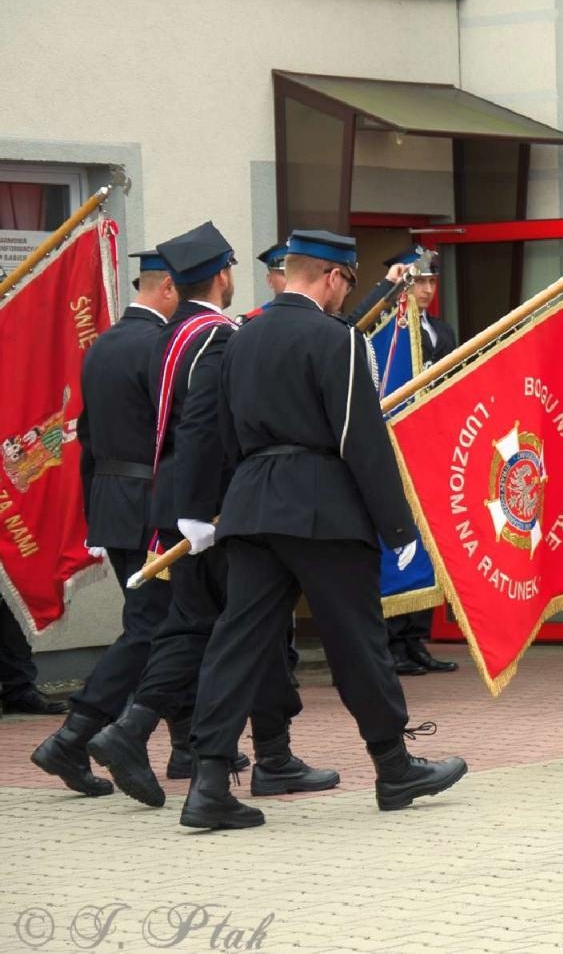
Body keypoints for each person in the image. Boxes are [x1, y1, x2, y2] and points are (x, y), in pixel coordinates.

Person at [179, 229, 466, 829]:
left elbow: (219, 432)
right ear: (333, 277)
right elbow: (360, 436)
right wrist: (397, 523)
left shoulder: (240, 336)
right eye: (347, 284)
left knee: (239, 642)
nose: (344, 297)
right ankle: (394, 767)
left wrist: (218, 504)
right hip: (322, 508)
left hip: (253, 504)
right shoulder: (336, 339)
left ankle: (207, 781)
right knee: (357, 642)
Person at [87, 223, 333, 808]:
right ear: (224, 274)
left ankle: (147, 733)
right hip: (215, 507)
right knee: (245, 626)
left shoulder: (172, 333)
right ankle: (257, 753)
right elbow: (206, 426)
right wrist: (209, 507)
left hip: (175, 501)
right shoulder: (216, 335)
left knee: (195, 626)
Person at [31, 248, 176, 795]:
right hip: (152, 502)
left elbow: (89, 437)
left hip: (114, 501)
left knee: (163, 624)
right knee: (158, 627)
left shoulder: (103, 346)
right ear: (166, 290)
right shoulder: (160, 345)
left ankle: (179, 747)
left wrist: (97, 512)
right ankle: (76, 736)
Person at [371, 247, 459, 677]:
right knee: (397, 541)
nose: (425, 290)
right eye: (418, 281)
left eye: (431, 282)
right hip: (395, 448)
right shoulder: (384, 333)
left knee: (429, 541)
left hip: (433, 447)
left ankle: (414, 639)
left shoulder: (442, 330)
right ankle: (391, 639)